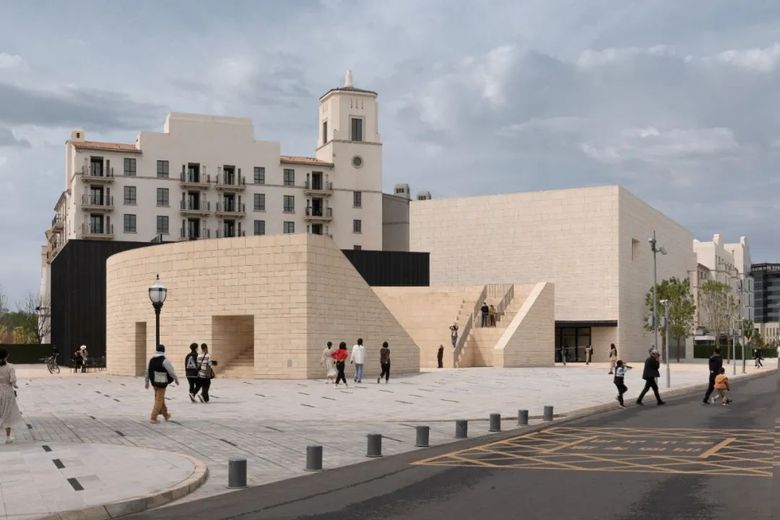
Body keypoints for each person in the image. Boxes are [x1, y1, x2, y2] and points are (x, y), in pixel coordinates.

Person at [144, 344, 179, 423]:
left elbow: (147, 372)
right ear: (164, 350)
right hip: (162, 383)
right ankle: (153, 417)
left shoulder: (151, 360)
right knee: (159, 399)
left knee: (160, 398)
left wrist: (147, 382)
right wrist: (176, 379)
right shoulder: (164, 360)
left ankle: (166, 415)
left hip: (154, 382)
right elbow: (171, 371)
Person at [0, 348, 22, 444]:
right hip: (7, 392)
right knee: (8, 413)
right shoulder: (10, 367)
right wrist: (15, 385)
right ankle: (8, 437)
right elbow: (12, 380)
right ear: (6, 356)